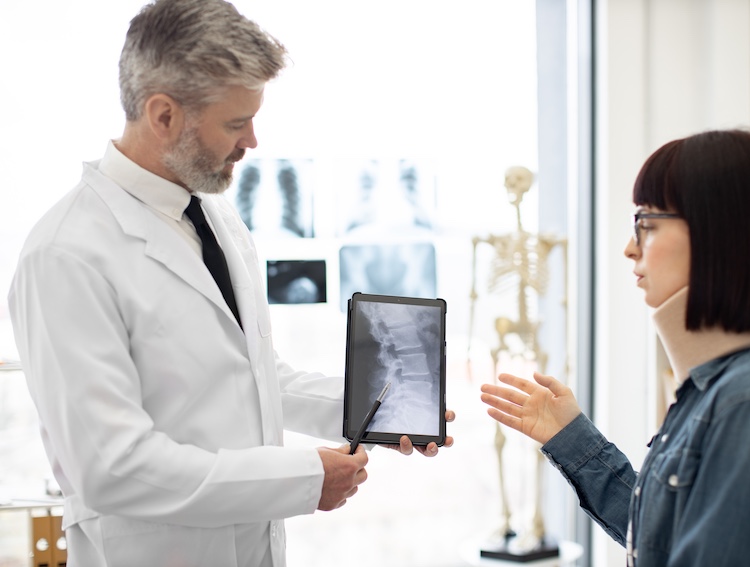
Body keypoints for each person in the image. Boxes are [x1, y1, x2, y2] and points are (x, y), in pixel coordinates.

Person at [7, 1, 453, 565]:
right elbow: (113, 468)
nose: (253, 142)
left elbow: (251, 376)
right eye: (236, 123)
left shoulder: (212, 214)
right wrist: (302, 477)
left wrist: (382, 407)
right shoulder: (65, 256)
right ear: (163, 115)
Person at [481, 129, 750, 566]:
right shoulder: (725, 383)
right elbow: (663, 538)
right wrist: (570, 437)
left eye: (647, 225)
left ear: (719, 234)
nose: (629, 248)